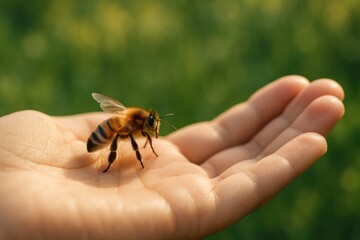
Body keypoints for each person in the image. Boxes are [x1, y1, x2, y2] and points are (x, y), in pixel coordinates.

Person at [0, 75, 344, 239]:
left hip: (105, 133)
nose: (153, 129)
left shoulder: (134, 120)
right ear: (145, 122)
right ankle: (105, 161)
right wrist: (128, 156)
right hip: (104, 138)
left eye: (152, 127)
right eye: (152, 127)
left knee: (119, 135)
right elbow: (130, 136)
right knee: (119, 137)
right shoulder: (132, 124)